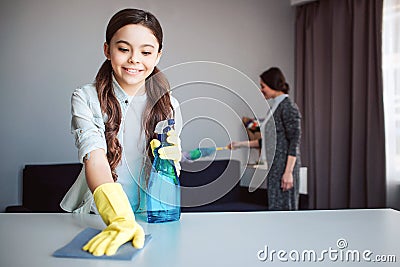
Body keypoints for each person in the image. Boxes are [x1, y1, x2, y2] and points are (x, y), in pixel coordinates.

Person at [60, 8, 182, 256]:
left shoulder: (171, 105)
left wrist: (174, 163)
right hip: (99, 216)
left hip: (152, 217)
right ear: (107, 50)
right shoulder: (86, 97)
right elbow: (94, 157)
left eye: (146, 52)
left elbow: (168, 172)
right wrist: (118, 218)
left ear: (158, 56)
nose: (134, 59)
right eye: (124, 49)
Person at [228, 67, 301, 211]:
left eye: (263, 86)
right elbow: (267, 141)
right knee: (275, 210)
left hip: (284, 169)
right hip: (275, 168)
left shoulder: (288, 107)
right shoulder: (274, 107)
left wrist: (288, 173)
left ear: (273, 84)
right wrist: (240, 144)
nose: (261, 90)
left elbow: (295, 141)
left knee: (285, 212)